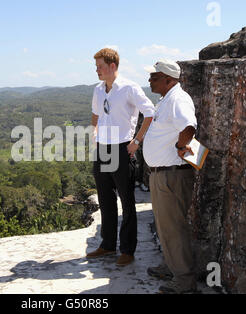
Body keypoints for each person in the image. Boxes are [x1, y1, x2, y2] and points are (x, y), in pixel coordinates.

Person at [86, 48, 155, 266]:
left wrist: (137, 141)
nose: (97, 70)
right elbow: (96, 114)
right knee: (105, 200)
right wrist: (95, 136)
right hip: (103, 149)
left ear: (112, 66)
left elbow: (150, 112)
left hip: (122, 148)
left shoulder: (129, 88)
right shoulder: (98, 90)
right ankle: (107, 245)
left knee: (127, 202)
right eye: (96, 66)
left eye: (100, 66)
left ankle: (127, 250)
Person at [142, 59, 198, 293]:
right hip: (163, 174)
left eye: (154, 77)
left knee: (173, 227)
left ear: (169, 79)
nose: (149, 80)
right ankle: (172, 266)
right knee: (166, 227)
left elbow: (189, 127)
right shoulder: (167, 99)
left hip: (171, 175)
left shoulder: (178, 99)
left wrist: (179, 145)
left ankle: (184, 280)